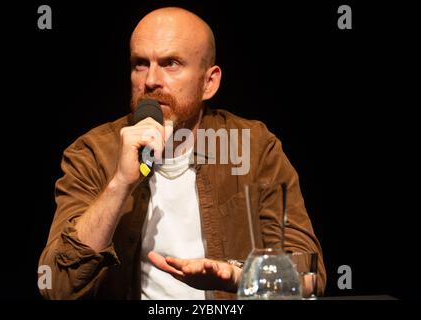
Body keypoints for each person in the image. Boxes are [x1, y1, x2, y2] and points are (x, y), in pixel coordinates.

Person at [38, 7, 326, 300]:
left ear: (209, 82)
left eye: (171, 63)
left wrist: (240, 277)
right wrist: (120, 184)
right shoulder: (92, 152)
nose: (150, 80)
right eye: (140, 63)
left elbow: (310, 277)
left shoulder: (254, 148)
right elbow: (56, 285)